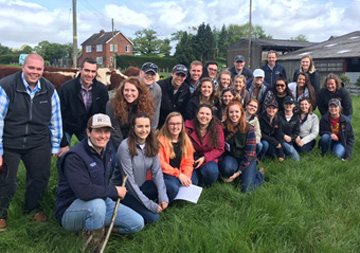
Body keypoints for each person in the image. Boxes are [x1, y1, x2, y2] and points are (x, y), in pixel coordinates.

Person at [55, 114, 143, 250]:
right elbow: (84, 192)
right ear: (88, 132)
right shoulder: (74, 157)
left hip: (101, 201)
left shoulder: (106, 150)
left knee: (137, 223)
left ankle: (95, 227)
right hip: (71, 210)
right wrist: (114, 191)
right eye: (98, 131)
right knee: (97, 206)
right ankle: (92, 247)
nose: (103, 136)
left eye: (106, 131)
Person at [0, 54, 62, 231]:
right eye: (31, 68)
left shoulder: (49, 89)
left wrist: (55, 144)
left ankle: (33, 208)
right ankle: (1, 214)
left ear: (43, 70)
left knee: (40, 176)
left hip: (38, 141)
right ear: (23, 67)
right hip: (11, 140)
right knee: (7, 180)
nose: (35, 72)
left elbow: (55, 118)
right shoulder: (7, 86)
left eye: (39, 69)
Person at [111, 113, 169, 224]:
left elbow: (157, 172)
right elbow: (129, 182)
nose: (144, 130)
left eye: (147, 126)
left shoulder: (152, 144)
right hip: (124, 192)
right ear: (133, 128)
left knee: (170, 188)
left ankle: (148, 204)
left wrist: (163, 197)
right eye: (140, 126)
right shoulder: (125, 147)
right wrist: (150, 204)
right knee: (153, 218)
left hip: (141, 186)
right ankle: (129, 211)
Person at [58, 58, 109, 157]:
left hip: (87, 126)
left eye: (93, 71)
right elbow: (58, 115)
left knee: (95, 153)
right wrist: (63, 143)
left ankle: (92, 170)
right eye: (87, 70)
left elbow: (102, 113)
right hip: (66, 126)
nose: (90, 74)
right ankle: (65, 170)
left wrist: (98, 134)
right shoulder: (66, 88)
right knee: (64, 154)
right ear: (80, 69)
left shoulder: (101, 90)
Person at [220, 100, 265, 191]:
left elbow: (249, 154)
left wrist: (239, 172)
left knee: (247, 190)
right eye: (231, 112)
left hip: (247, 159)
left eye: (237, 112)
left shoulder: (249, 129)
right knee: (226, 168)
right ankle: (238, 174)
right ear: (227, 113)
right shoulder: (223, 127)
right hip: (231, 156)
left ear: (241, 113)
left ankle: (259, 175)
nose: (234, 115)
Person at [106, 77, 154, 153]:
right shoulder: (112, 104)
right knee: (116, 160)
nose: (129, 93)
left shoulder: (146, 106)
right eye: (126, 90)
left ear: (139, 92)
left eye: (133, 90)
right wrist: (124, 149)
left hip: (136, 137)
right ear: (122, 91)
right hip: (116, 138)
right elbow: (114, 129)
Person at [158, 112, 195, 202]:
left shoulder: (185, 140)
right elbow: (161, 164)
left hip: (179, 171)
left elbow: (188, 162)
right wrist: (179, 175)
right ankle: (165, 201)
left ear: (182, 125)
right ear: (167, 125)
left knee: (193, 180)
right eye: (172, 124)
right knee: (174, 186)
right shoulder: (160, 141)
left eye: (178, 124)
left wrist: (186, 176)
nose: (175, 127)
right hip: (164, 173)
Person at [185, 104, 225, 187]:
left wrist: (204, 158)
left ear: (211, 117)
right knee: (191, 183)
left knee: (211, 172)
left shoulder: (217, 129)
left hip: (208, 158)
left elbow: (220, 149)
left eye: (207, 114)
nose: (204, 116)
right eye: (202, 113)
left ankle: (205, 185)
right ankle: (196, 177)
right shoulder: (187, 126)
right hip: (190, 159)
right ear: (197, 114)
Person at [157, 64, 190, 129]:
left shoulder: (186, 89)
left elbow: (184, 110)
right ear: (172, 74)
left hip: (176, 124)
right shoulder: (160, 86)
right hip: (161, 123)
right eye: (177, 75)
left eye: (182, 76)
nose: (179, 78)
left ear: (185, 77)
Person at [139, 62, 162, 130]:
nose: (149, 76)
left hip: (145, 125)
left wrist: (152, 131)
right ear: (140, 73)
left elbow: (155, 111)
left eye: (152, 74)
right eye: (147, 73)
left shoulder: (157, 89)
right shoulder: (131, 85)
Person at [278, 96, 300, 162]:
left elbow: (297, 132)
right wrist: (283, 136)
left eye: (290, 104)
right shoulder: (278, 115)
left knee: (297, 160)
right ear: (283, 105)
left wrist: (291, 138)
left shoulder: (296, 117)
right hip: (280, 139)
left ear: (294, 105)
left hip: (290, 141)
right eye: (286, 104)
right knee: (289, 150)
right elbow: (276, 130)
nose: (288, 106)